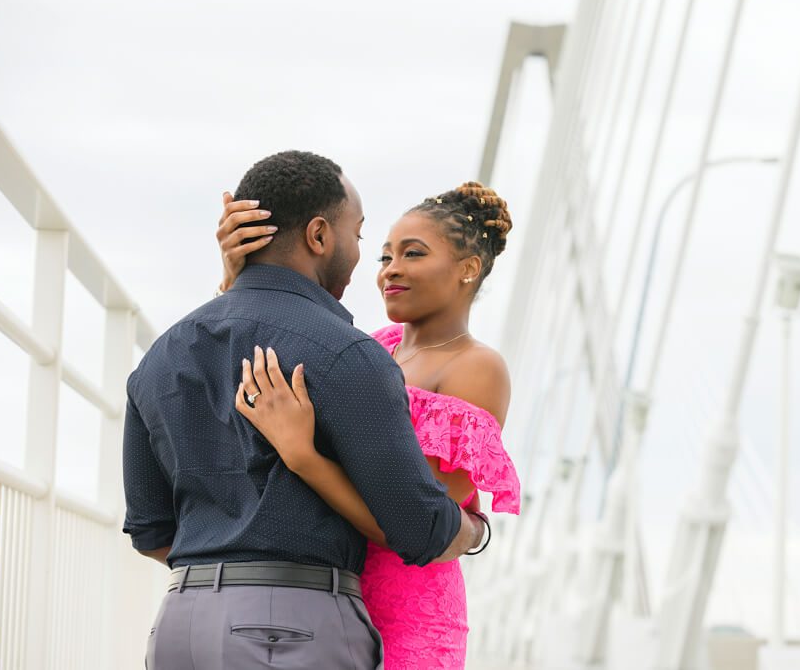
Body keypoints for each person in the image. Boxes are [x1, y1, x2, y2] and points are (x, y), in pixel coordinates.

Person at [122, 150, 487, 670]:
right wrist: (476, 529)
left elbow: (150, 531)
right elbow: (419, 527)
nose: (365, 257)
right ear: (319, 236)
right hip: (290, 631)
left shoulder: (160, 357)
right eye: (358, 236)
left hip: (180, 625)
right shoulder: (348, 356)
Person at [217, 181, 522, 669]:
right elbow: (263, 376)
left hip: (410, 618)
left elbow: (414, 519)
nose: (390, 270)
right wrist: (238, 279)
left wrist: (305, 458)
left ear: (468, 269)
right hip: (328, 601)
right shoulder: (371, 349)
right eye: (384, 257)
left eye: (412, 254)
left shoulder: (476, 367)